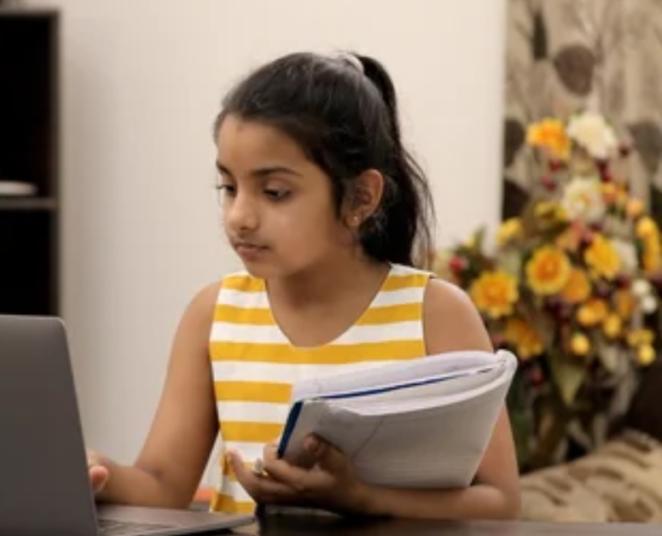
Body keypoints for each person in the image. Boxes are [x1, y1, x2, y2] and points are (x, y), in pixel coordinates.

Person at [85, 51, 521, 521]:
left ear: (360, 196)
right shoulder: (213, 314)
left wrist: (361, 499)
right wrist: (98, 472)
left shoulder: (434, 312)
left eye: (274, 193)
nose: (239, 217)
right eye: (229, 188)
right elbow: (162, 486)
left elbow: (499, 504)